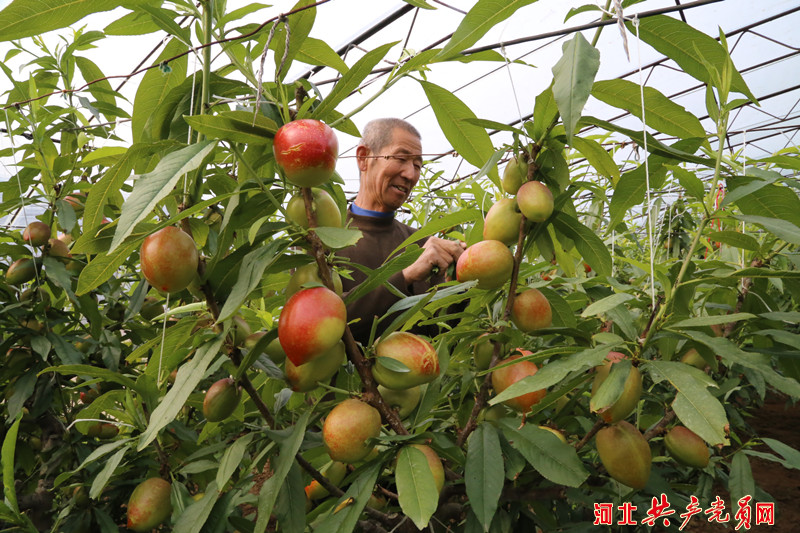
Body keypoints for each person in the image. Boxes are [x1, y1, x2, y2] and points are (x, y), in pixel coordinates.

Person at [336, 118, 465, 346]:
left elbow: (437, 333)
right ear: (364, 158)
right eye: (401, 159)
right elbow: (325, 323)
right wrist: (405, 276)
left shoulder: (424, 245)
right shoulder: (324, 241)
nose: (411, 175)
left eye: (417, 165)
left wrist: (462, 284)